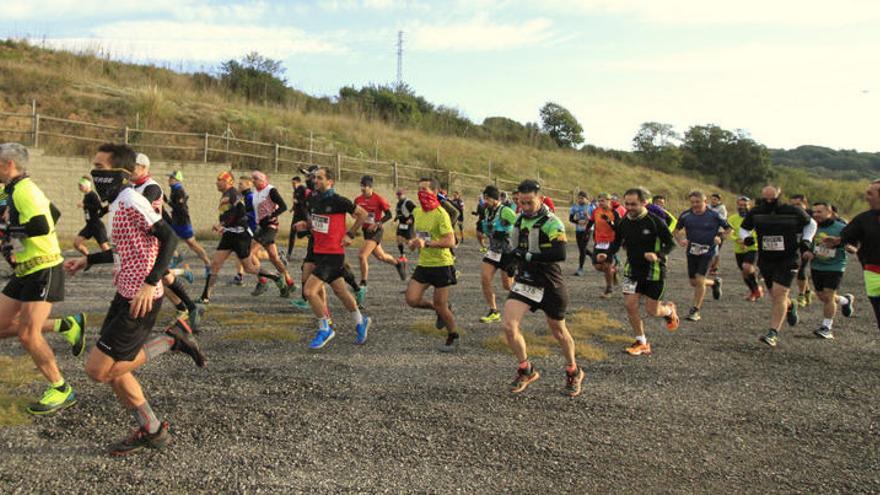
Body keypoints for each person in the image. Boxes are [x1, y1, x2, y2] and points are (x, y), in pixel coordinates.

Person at [64, 142, 206, 456]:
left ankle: (172, 339)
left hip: (141, 297)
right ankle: (152, 429)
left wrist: (150, 282)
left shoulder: (130, 200)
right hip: (125, 293)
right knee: (117, 369)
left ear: (121, 173)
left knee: (98, 371)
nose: (94, 171)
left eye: (99, 167)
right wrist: (89, 260)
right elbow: (125, 249)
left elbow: (168, 236)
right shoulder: (117, 203)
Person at [0, 143, 86, 415]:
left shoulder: (26, 191)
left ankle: (61, 389)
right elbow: (55, 212)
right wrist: (14, 245)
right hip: (25, 270)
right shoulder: (11, 190)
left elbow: (43, 225)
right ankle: (65, 325)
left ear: (8, 165)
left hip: (44, 269)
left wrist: (10, 232)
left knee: (28, 334)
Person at [502, 180, 584, 397]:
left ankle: (573, 370)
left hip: (549, 283)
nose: (526, 207)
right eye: (522, 202)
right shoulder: (519, 219)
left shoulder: (552, 223)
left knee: (558, 331)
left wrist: (527, 256)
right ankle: (525, 369)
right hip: (526, 282)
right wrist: (510, 263)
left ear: (540, 197)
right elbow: (514, 249)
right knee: (509, 326)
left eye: (530, 202)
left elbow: (560, 254)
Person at [291, 167, 371, 349]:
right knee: (341, 291)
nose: (315, 180)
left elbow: (363, 215)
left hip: (333, 254)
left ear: (330, 182)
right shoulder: (313, 200)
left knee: (309, 291)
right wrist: (306, 225)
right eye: (314, 178)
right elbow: (317, 222)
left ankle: (325, 328)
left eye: (320, 178)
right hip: (319, 252)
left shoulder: (338, 200)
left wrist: (350, 234)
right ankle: (360, 321)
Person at [599, 187, 679, 356]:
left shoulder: (656, 221)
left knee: (653, 311)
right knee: (630, 305)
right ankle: (641, 342)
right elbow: (616, 241)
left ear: (644, 202)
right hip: (632, 270)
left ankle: (669, 310)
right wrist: (606, 255)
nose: (628, 208)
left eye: (633, 204)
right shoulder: (624, 222)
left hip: (654, 271)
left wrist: (658, 255)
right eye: (626, 204)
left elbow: (671, 244)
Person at [131, 154, 203, 331]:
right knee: (163, 276)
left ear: (144, 168)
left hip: (155, 240)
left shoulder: (152, 187)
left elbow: (143, 208)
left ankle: (186, 307)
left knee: (156, 276)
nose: (129, 169)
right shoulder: (133, 187)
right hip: (145, 240)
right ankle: (189, 306)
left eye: (133, 166)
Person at [740, 186, 816, 347]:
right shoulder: (756, 212)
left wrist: (807, 240)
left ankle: (773, 333)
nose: (769, 201)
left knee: (779, 293)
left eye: (772, 198)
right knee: (776, 295)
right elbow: (743, 228)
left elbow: (812, 224)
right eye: (766, 198)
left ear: (779, 195)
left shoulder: (792, 210)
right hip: (766, 259)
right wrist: (747, 238)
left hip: (788, 258)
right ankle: (791, 304)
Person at [199, 171, 285, 304]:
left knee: (249, 268)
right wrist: (223, 225)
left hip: (240, 236)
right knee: (215, 264)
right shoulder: (225, 195)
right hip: (228, 235)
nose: (217, 182)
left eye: (220, 180)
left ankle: (275, 276)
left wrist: (223, 224)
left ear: (228, 182)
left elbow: (239, 212)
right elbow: (227, 214)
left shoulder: (234, 194)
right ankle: (205, 297)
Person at [405, 177, 459, 352]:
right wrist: (414, 242)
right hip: (424, 263)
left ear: (435, 192)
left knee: (441, 305)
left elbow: (450, 240)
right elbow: (420, 235)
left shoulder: (441, 214)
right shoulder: (418, 212)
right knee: (412, 299)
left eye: (425, 190)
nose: (421, 193)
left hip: (442, 265)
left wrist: (427, 244)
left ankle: (453, 336)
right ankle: (439, 309)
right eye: (419, 189)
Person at [830, 179, 880, 333]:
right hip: (873, 272)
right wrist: (836, 241)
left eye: (870, 193)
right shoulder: (863, 219)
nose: (867, 197)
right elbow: (847, 237)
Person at [673, 191, 730, 322]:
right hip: (692, 251)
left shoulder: (714, 215)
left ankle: (695, 310)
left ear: (705, 202)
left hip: (708, 251)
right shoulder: (686, 215)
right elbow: (676, 231)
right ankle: (714, 283)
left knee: (699, 279)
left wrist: (720, 237)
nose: (695, 205)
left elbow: (728, 229)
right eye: (692, 202)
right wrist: (680, 240)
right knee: (694, 282)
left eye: (697, 202)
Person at [806, 202, 855, 339]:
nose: (816, 215)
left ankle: (827, 328)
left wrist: (842, 244)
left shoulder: (841, 227)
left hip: (835, 266)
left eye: (819, 212)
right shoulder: (812, 227)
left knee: (828, 296)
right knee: (822, 296)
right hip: (817, 266)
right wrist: (808, 252)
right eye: (814, 212)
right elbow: (808, 244)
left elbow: (853, 248)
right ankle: (845, 300)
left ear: (830, 212)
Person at [354, 175, 407, 294]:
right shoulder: (358, 200)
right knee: (381, 256)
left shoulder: (378, 199)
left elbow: (388, 215)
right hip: (366, 231)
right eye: (361, 186)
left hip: (376, 231)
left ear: (370, 187)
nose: (362, 188)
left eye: (365, 186)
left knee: (362, 256)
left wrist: (377, 223)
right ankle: (398, 263)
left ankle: (363, 283)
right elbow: (356, 213)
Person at [249, 170, 296, 298]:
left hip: (271, 227)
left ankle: (263, 281)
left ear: (265, 179)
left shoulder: (271, 190)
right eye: (252, 178)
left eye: (256, 178)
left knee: (250, 253)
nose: (254, 180)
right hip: (261, 227)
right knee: (274, 258)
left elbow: (283, 206)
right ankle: (289, 282)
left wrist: (272, 215)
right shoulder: (255, 193)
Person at [478, 185, 517, 323]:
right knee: (485, 278)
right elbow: (487, 228)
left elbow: (520, 226)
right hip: (493, 251)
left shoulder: (505, 211)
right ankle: (493, 310)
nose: (485, 201)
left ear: (494, 198)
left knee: (507, 286)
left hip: (507, 252)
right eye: (484, 198)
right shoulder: (488, 212)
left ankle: (523, 298)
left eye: (487, 198)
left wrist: (508, 233)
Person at [165, 170, 211, 276]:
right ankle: (176, 257)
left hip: (183, 222)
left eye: (171, 178)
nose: (169, 180)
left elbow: (180, 208)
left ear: (177, 180)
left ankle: (208, 264)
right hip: (176, 221)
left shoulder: (179, 191)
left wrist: (168, 202)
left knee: (192, 244)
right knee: (168, 239)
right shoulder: (174, 190)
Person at [727, 196, 763, 302]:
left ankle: (755, 290)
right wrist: (737, 239)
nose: (742, 207)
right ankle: (754, 291)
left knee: (747, 267)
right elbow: (729, 232)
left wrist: (747, 240)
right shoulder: (732, 218)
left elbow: (759, 232)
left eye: (745, 205)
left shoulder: (755, 217)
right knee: (744, 272)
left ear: (749, 205)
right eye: (740, 205)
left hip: (753, 247)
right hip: (739, 248)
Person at [586, 193, 620, 297]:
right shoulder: (596, 211)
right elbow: (591, 222)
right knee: (598, 266)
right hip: (598, 241)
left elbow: (618, 228)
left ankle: (609, 290)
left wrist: (609, 222)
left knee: (606, 264)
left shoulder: (614, 213)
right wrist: (586, 232)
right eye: (599, 201)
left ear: (609, 201)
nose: (600, 203)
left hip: (610, 242)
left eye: (602, 201)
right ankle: (613, 271)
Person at [73, 176, 110, 256]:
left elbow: (98, 208)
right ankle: (89, 259)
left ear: (87, 185)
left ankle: (118, 263)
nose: (79, 188)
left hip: (96, 225)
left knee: (105, 248)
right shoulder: (86, 195)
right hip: (89, 226)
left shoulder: (92, 195)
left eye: (81, 185)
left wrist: (84, 205)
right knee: (76, 243)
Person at [790, 193, 814, 307]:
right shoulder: (789, 215)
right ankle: (807, 291)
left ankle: (801, 296)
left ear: (805, 204)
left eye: (798, 204)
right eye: (793, 205)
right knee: (798, 268)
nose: (796, 207)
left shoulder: (811, 215)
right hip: (794, 244)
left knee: (801, 269)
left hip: (807, 245)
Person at [569, 191, 593, 276]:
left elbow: (594, 219)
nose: (580, 200)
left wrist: (588, 218)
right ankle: (593, 256)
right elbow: (571, 219)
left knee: (582, 249)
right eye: (578, 198)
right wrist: (578, 221)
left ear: (587, 199)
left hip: (587, 230)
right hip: (578, 230)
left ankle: (580, 268)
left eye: (582, 198)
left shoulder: (591, 207)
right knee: (582, 249)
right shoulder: (575, 207)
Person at [287, 176, 309, 260]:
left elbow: (307, 200)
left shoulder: (303, 189)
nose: (293, 185)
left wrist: (299, 202)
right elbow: (296, 201)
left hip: (304, 214)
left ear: (298, 182)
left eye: (294, 183)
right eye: (292, 183)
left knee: (308, 233)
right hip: (296, 214)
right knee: (292, 232)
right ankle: (289, 254)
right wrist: (293, 208)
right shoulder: (295, 191)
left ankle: (311, 253)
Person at [394, 188, 417, 262]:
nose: (399, 196)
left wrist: (411, 219)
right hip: (401, 224)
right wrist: (396, 218)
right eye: (398, 195)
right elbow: (399, 212)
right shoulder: (398, 203)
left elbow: (415, 211)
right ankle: (402, 255)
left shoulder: (408, 202)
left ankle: (420, 246)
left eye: (400, 194)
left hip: (408, 224)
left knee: (409, 242)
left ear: (404, 194)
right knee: (398, 239)